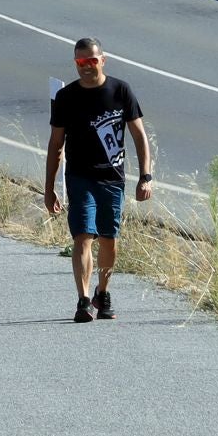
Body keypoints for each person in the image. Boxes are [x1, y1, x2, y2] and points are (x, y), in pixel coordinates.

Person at [45, 37, 152, 323]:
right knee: (82, 238)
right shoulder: (67, 97)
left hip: (112, 178)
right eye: (80, 62)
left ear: (102, 60)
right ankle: (82, 300)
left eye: (91, 61)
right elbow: (56, 144)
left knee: (109, 239)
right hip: (80, 178)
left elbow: (139, 136)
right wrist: (50, 188)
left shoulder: (120, 90)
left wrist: (145, 177)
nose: (86, 67)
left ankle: (102, 293)